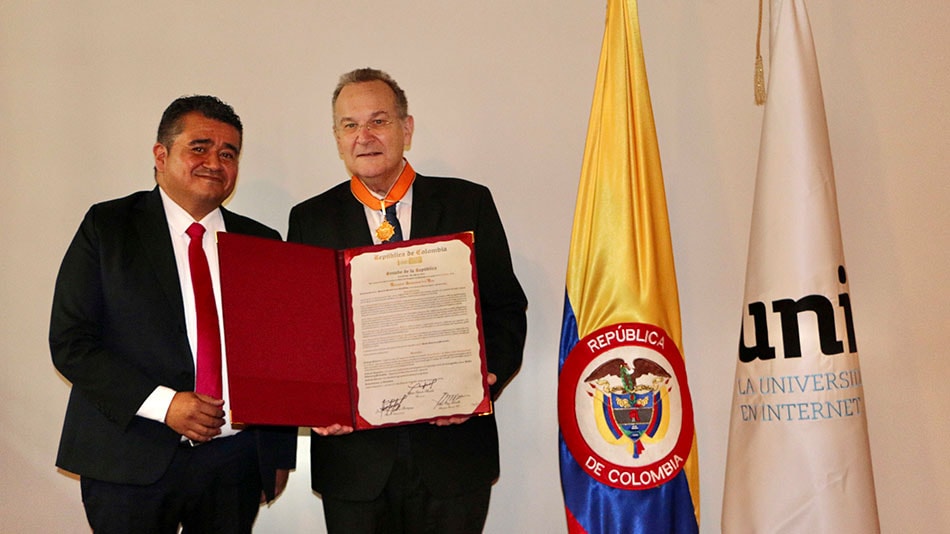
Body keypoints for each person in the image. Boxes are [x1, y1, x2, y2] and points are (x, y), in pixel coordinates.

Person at [287, 68, 528, 533]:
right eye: (350, 125)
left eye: (379, 121)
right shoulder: (310, 220)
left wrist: (483, 382)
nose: (365, 136)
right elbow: (303, 336)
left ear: (407, 128)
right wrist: (316, 404)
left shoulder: (467, 203)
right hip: (353, 464)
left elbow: (504, 309)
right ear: (337, 137)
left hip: (453, 452)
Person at [50, 95, 297, 533]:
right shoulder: (108, 227)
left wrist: (276, 457)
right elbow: (72, 343)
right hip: (128, 461)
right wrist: (166, 405)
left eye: (228, 153)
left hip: (233, 466)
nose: (214, 162)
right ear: (161, 156)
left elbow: (278, 357)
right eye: (199, 147)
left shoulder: (262, 242)